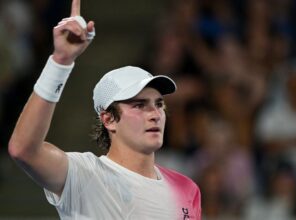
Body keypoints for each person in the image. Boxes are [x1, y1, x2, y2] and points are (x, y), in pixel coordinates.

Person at [7, 0, 202, 219]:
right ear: (108, 119)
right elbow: (23, 149)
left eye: (158, 104)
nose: (155, 114)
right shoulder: (86, 175)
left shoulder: (186, 188)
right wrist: (60, 62)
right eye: (139, 105)